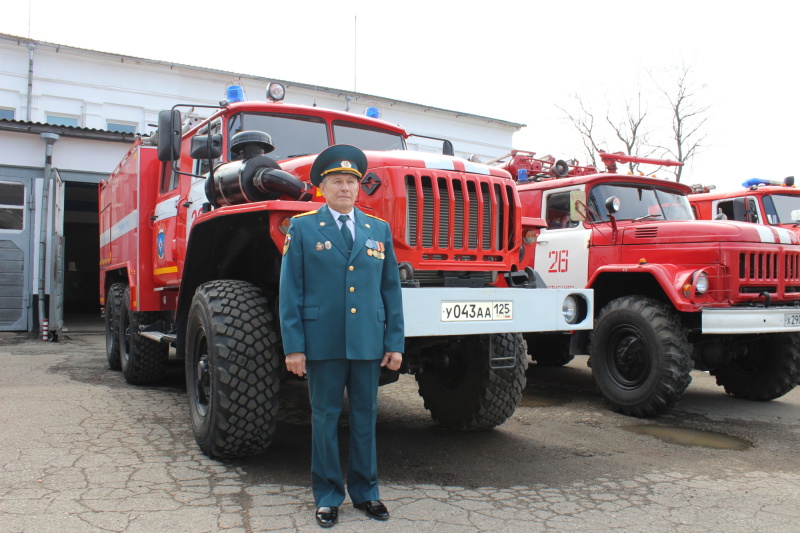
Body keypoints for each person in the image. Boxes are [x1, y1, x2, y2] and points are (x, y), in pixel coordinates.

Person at [279, 144, 404, 528]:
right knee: (325, 419)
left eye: (351, 181)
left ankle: (367, 493)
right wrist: (294, 348)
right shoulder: (301, 228)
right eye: (337, 181)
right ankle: (329, 496)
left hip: (367, 342)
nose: (346, 188)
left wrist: (394, 343)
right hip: (323, 342)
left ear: (358, 187)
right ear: (323, 188)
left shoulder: (377, 229)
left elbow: (390, 292)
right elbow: (291, 292)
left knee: (365, 418)